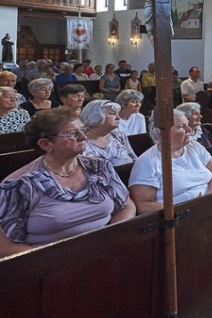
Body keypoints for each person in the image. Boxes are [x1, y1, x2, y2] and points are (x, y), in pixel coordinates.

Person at [0, 108, 135, 257]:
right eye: (72, 134)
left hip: (107, 252)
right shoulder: (20, 184)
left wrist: (112, 238)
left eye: (83, 129)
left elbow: (126, 206)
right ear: (46, 144)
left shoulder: (99, 166)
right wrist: (59, 259)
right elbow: (4, 245)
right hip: (51, 262)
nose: (83, 137)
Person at [129, 110, 212, 213]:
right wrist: (183, 208)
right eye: (182, 126)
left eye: (187, 124)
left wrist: (209, 198)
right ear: (162, 133)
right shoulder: (147, 162)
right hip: (181, 216)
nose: (189, 129)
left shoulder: (193, 146)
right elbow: (142, 205)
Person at [80, 100, 137, 167]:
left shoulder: (119, 136)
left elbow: (134, 159)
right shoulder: (80, 142)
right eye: (112, 114)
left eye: (118, 114)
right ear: (95, 116)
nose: (118, 118)